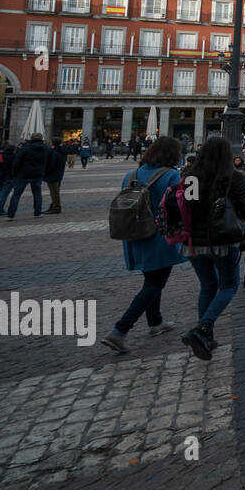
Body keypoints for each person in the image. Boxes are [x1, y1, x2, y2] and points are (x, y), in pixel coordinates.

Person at [101, 136, 187, 353]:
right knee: (154, 283)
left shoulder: (131, 175)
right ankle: (119, 331)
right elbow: (179, 205)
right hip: (158, 236)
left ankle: (155, 322)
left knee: (152, 278)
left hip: (134, 234)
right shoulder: (172, 175)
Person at [180, 135, 245, 360]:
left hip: (195, 241)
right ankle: (203, 327)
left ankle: (207, 337)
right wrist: (243, 224)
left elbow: (189, 206)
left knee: (207, 286)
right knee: (229, 285)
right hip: (223, 239)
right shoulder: (230, 176)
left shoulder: (191, 177)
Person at [5, 132, 50, 220]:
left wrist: (15, 173)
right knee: (37, 194)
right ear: (42, 139)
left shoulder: (25, 149)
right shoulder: (46, 149)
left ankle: (10, 215)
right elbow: (50, 162)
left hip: (22, 175)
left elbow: (17, 162)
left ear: (31, 138)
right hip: (38, 174)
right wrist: (44, 171)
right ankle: (37, 213)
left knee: (16, 195)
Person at [43, 136, 67, 214]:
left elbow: (51, 164)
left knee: (54, 192)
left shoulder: (54, 152)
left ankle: (56, 207)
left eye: (50, 142)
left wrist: (46, 171)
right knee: (55, 191)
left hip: (53, 174)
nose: (49, 143)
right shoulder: (61, 151)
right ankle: (53, 205)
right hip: (59, 174)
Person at [0, 140, 17, 217]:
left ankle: (1, 209)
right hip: (8, 178)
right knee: (3, 195)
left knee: (1, 194)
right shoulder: (14, 157)